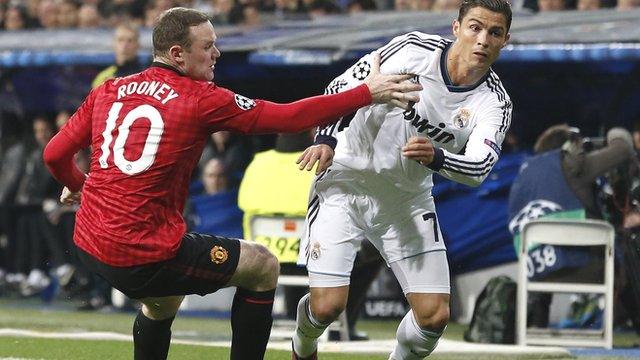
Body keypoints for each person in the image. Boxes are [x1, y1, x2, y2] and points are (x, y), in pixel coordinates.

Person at [42, 7, 420, 360]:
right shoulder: (199, 98)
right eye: (207, 46)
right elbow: (288, 118)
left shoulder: (108, 90)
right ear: (177, 54)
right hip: (144, 253)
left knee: (162, 302)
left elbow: (54, 155)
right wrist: (365, 93)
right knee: (262, 265)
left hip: (90, 244)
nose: (217, 53)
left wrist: (80, 184)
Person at [291, 0, 513, 358]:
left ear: (505, 41)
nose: (483, 39)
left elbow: (480, 166)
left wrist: (438, 156)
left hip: (406, 199)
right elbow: (341, 88)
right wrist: (326, 138)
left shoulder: (494, 102)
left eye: (495, 32)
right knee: (327, 308)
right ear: (456, 28)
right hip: (346, 181)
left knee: (434, 316)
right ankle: (302, 342)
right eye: (475, 27)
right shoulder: (411, 51)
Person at [508, 124, 635, 328]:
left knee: (544, 244)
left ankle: (536, 325)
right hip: (586, 268)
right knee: (629, 256)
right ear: (568, 148)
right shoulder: (572, 165)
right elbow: (622, 150)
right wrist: (614, 132)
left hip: (534, 272)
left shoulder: (523, 175)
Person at [92, 23, 145, 89]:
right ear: (114, 44)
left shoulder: (147, 76)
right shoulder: (103, 78)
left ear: (138, 45)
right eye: (120, 40)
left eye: (130, 41)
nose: (125, 45)